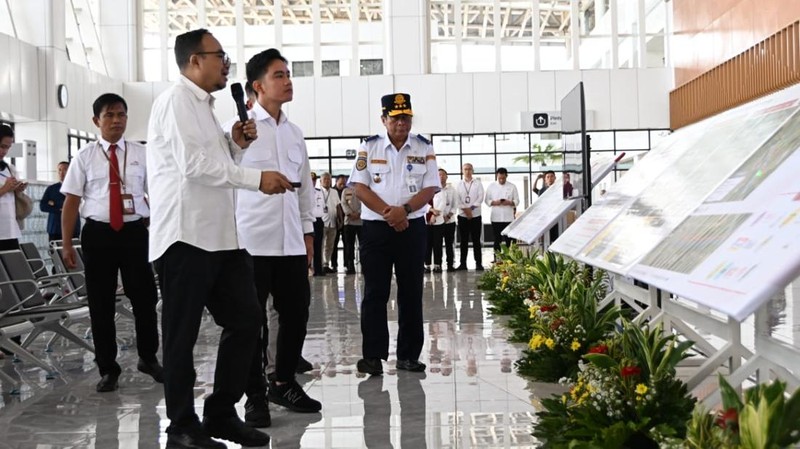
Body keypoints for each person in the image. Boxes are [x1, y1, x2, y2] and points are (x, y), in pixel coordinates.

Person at [147, 28, 292, 448]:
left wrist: (236, 145)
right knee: (181, 335)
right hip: (185, 237)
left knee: (247, 321)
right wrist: (255, 178)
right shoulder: (174, 102)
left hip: (220, 238)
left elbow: (213, 161)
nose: (225, 63)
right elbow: (193, 167)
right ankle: (181, 426)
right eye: (219, 55)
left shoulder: (206, 108)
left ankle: (221, 411)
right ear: (195, 60)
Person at [235, 48, 321, 427]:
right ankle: (254, 397)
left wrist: (308, 236)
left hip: (289, 243)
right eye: (279, 75)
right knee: (252, 322)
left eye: (288, 74)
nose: (288, 81)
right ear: (257, 86)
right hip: (250, 242)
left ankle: (283, 381)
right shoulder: (238, 131)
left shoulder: (294, 133)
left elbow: (303, 192)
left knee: (296, 315)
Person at [60, 93, 163, 394]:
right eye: (109, 115)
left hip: (134, 233)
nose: (116, 120)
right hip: (98, 235)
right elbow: (71, 203)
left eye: (121, 115)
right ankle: (108, 369)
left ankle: (148, 357)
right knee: (101, 304)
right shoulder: (85, 156)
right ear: (96, 121)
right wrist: (67, 244)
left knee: (145, 300)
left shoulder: (141, 153)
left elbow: (157, 193)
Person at [349, 93, 439, 375]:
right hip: (377, 229)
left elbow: (430, 187)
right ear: (384, 119)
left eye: (406, 117)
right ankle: (373, 356)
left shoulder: (424, 147)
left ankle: (409, 355)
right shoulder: (370, 147)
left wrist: (405, 210)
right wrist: (391, 213)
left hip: (412, 228)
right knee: (375, 292)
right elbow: (360, 188)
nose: (401, 123)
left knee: (411, 292)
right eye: (396, 117)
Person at [0, 125, 28, 251]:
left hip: (10, 229)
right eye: (2, 146)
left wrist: (18, 189)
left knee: (14, 267)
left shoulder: (9, 168)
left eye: (8, 147)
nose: (4, 152)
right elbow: (5, 190)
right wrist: (4, 189)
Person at [40, 161, 80, 242]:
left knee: (73, 252)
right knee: (56, 252)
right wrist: (59, 209)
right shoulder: (52, 188)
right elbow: (43, 206)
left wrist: (53, 204)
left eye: (65, 170)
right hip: (55, 228)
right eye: (59, 170)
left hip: (73, 227)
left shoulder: (76, 187)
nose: (61, 173)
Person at [455, 163, 484, 271]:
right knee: (463, 240)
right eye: (465, 169)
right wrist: (465, 210)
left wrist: (471, 209)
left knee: (476, 240)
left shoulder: (478, 184)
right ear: (462, 170)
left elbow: (480, 197)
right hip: (462, 216)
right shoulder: (458, 184)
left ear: (472, 170)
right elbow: (457, 199)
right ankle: (463, 264)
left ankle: (479, 263)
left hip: (475, 215)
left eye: (469, 169)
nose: (467, 171)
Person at [484, 167, 519, 255]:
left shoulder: (512, 186)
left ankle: (511, 258)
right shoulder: (491, 186)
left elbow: (517, 201)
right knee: (497, 239)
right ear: (497, 176)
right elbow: (486, 200)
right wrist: (494, 202)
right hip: (496, 218)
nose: (501, 180)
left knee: (510, 240)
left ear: (506, 176)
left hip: (509, 218)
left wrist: (510, 202)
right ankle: (497, 258)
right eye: (499, 178)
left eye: (503, 178)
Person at [429, 168, 456, 272]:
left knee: (449, 244)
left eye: (443, 175)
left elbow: (455, 205)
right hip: (437, 221)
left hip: (449, 221)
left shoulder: (452, 190)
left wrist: (448, 216)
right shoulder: (433, 189)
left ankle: (450, 264)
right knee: (437, 244)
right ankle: (438, 264)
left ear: (446, 176)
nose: (441, 177)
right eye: (439, 175)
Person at [340, 181, 362, 275]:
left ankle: (364, 265)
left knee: (363, 245)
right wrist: (349, 213)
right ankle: (350, 266)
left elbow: (366, 203)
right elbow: (343, 203)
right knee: (349, 245)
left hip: (361, 222)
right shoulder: (345, 190)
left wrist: (359, 213)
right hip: (348, 222)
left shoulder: (362, 190)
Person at [320, 172, 340, 273]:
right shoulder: (318, 192)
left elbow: (338, 206)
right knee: (321, 244)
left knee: (330, 245)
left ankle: (326, 264)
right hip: (322, 222)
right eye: (325, 179)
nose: (327, 181)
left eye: (329, 179)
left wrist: (339, 220)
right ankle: (319, 265)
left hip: (333, 222)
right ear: (321, 181)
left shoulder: (334, 192)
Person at [310, 172, 326, 276]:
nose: (312, 181)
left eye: (314, 180)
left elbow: (324, 206)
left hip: (318, 220)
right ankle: (308, 268)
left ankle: (318, 269)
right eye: (311, 180)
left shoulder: (319, 192)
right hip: (308, 220)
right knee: (308, 245)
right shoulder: (303, 192)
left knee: (318, 245)